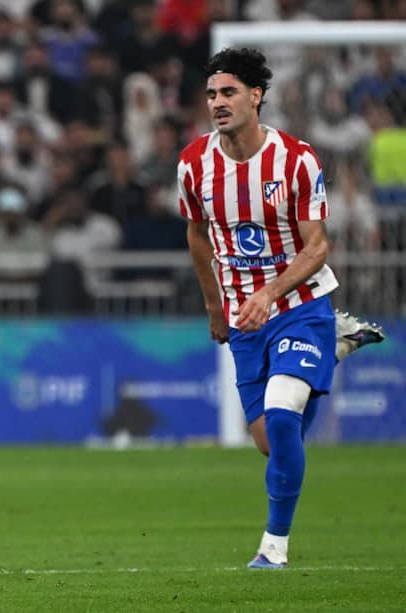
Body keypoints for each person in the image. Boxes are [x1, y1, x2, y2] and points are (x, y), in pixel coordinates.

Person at [178, 48, 384, 570]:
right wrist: (214, 305)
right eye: (211, 94)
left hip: (299, 303)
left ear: (256, 95)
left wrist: (269, 293)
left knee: (283, 408)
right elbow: (197, 235)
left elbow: (317, 247)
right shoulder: (194, 164)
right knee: (271, 441)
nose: (217, 103)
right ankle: (333, 349)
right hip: (243, 317)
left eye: (228, 92)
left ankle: (274, 546)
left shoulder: (296, 159)